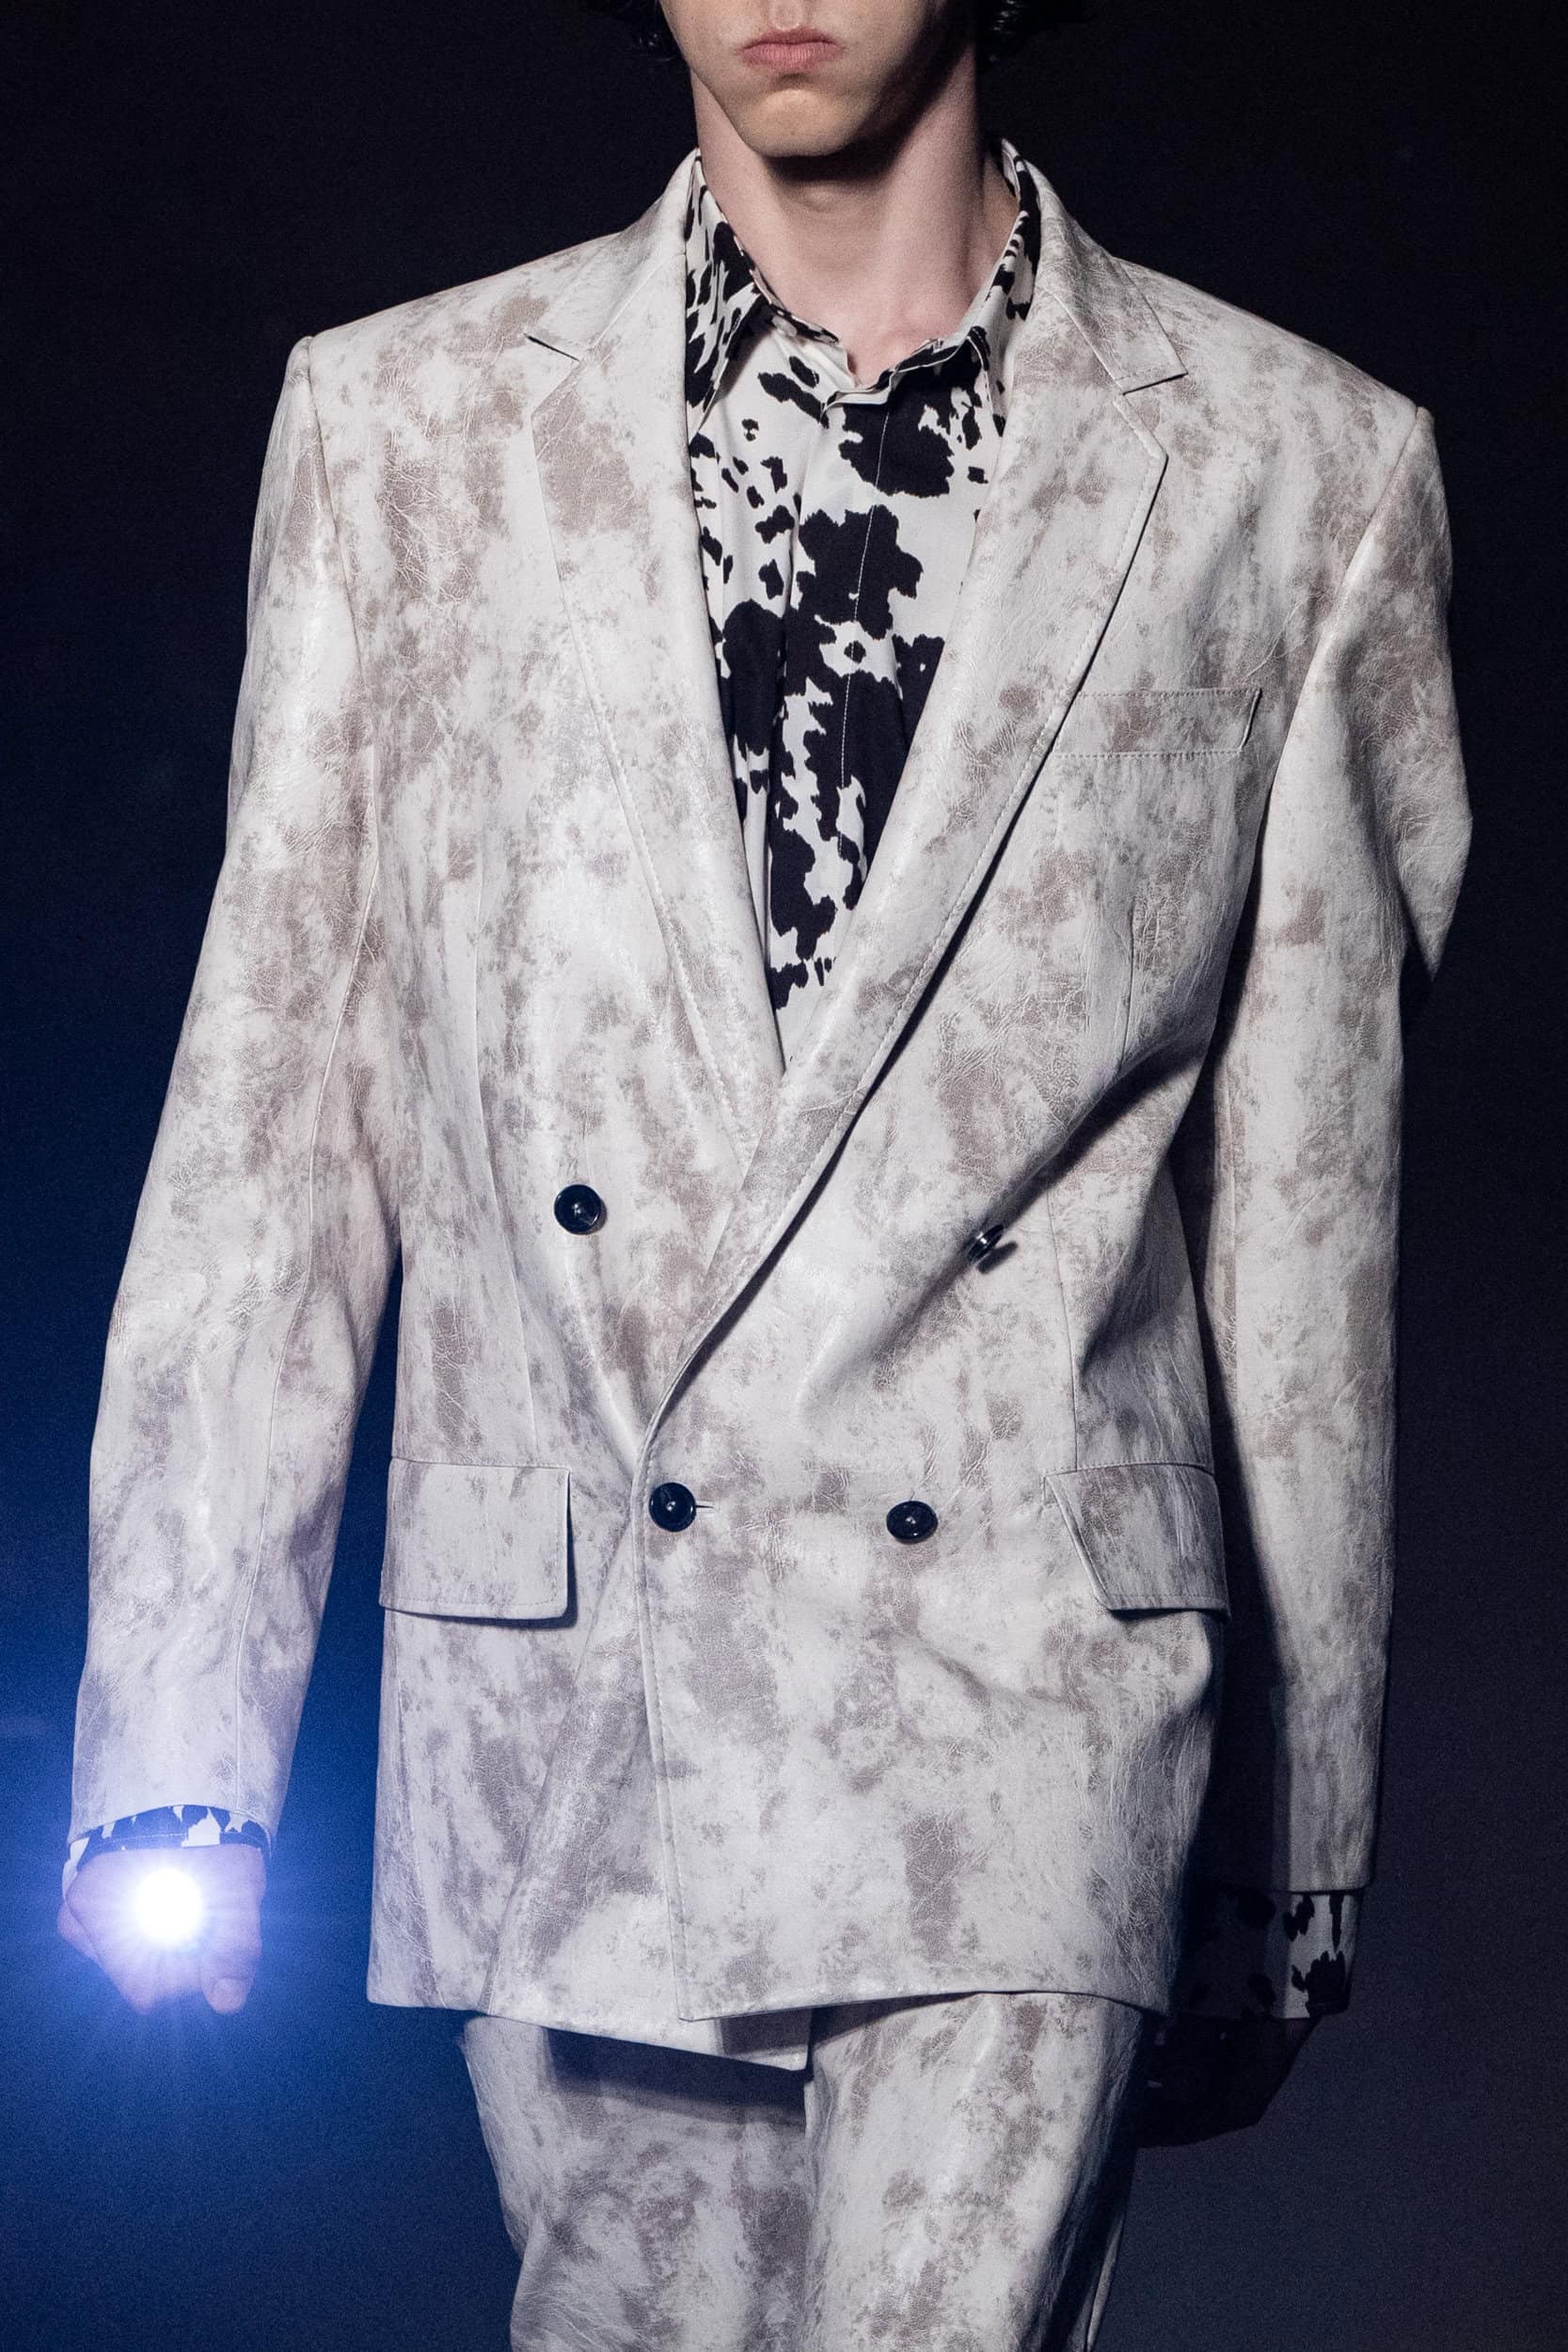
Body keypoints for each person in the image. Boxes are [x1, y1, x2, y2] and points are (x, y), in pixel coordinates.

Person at [58, 2, 1471, 2344]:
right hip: (581, 1677)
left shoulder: (1292, 467)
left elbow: (1310, 1218)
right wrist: (178, 1756)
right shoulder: (410, 428)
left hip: (1028, 1695)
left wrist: (1295, 1854)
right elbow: (279, 1122)